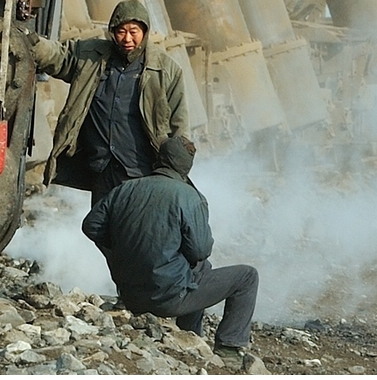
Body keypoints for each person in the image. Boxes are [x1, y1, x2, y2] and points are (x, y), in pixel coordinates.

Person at [81, 136, 261, 365]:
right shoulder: (190, 197)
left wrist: (122, 248)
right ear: (187, 166)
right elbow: (200, 250)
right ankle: (229, 348)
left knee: (199, 269)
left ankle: (191, 337)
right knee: (247, 277)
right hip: (166, 299)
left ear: (160, 159)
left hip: (129, 296)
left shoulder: (125, 189)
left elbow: (91, 226)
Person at [30, 0, 189, 204]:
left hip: (142, 171)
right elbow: (60, 56)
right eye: (121, 31)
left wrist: (176, 168)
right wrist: (33, 43)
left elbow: (180, 122)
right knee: (102, 227)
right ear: (112, 32)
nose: (127, 38)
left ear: (145, 32)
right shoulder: (91, 56)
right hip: (101, 168)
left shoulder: (165, 70)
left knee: (134, 229)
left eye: (134, 31)